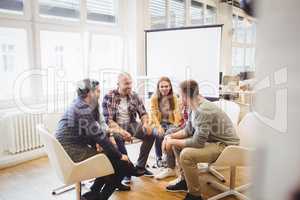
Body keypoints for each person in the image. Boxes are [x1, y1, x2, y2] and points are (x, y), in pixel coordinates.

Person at [55, 79, 142, 200]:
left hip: (66, 150)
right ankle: (103, 195)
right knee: (119, 163)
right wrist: (119, 155)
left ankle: (93, 192)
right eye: (98, 91)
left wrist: (101, 143)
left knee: (111, 156)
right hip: (72, 153)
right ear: (89, 92)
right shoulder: (82, 109)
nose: (99, 94)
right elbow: (99, 135)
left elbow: (89, 131)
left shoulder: (78, 104)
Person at [163, 80, 240, 200]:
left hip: (226, 146)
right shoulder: (193, 106)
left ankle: (195, 195)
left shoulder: (203, 109)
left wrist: (172, 141)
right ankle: (185, 181)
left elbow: (198, 143)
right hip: (212, 141)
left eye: (180, 96)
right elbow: (187, 131)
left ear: (186, 96)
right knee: (176, 145)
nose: (178, 99)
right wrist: (170, 137)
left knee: (186, 155)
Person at [102, 72, 155, 184]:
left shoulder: (134, 95)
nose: (129, 86)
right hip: (116, 126)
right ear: (118, 84)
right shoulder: (109, 96)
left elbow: (143, 113)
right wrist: (122, 132)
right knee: (117, 137)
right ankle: (127, 169)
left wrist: (145, 123)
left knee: (151, 134)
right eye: (126, 84)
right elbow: (109, 120)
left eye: (130, 83)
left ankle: (140, 166)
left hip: (131, 124)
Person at [148, 77, 181, 178]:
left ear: (170, 87)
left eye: (166, 86)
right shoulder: (154, 98)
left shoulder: (174, 97)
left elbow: (177, 112)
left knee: (171, 133)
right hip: (157, 123)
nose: (164, 88)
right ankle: (159, 158)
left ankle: (170, 161)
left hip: (170, 122)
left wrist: (175, 125)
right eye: (162, 86)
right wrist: (158, 127)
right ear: (158, 87)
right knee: (160, 134)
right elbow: (153, 114)